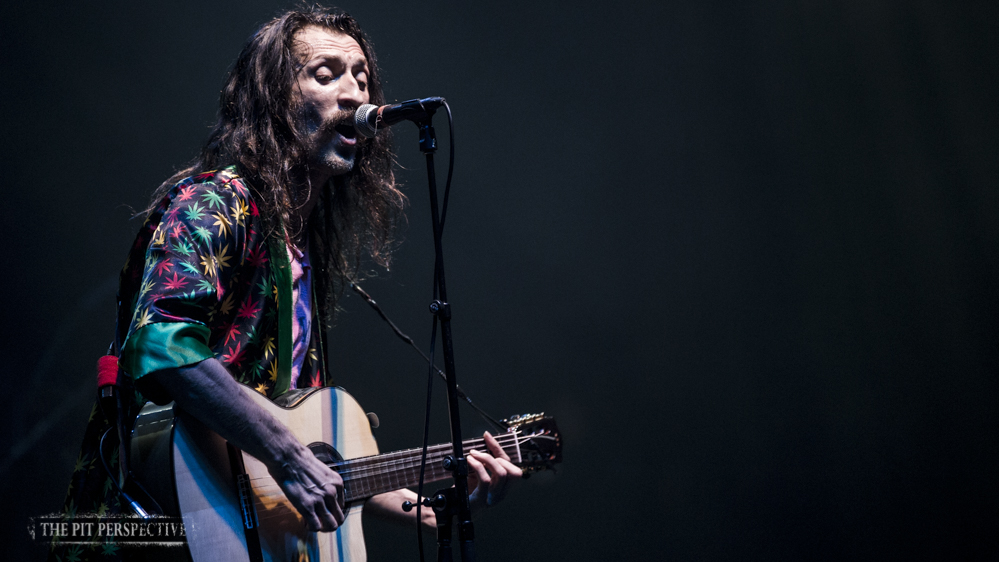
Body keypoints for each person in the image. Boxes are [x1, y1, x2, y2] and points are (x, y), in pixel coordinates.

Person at [50, 6, 519, 561]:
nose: (355, 95)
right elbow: (161, 343)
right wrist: (288, 455)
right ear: (274, 98)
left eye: (362, 78)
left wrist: (440, 508)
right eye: (327, 74)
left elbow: (324, 467)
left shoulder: (301, 253)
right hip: (140, 534)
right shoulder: (214, 203)